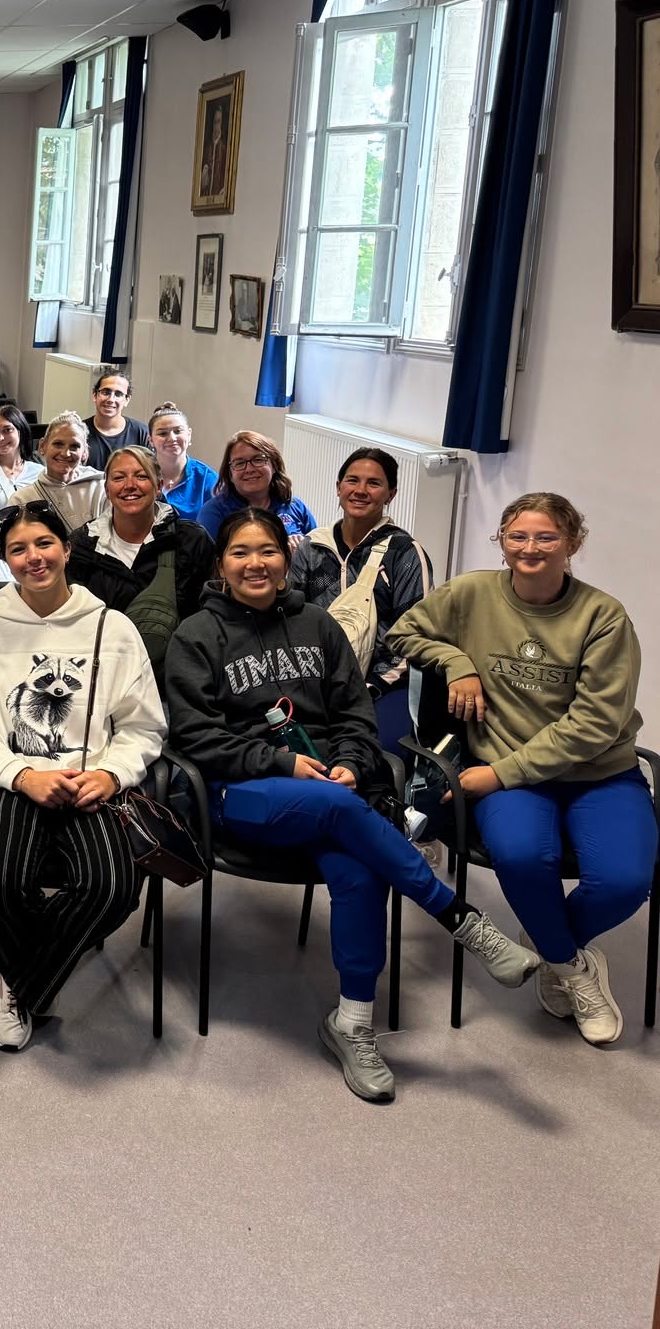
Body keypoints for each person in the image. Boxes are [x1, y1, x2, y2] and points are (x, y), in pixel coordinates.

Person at [166, 508, 541, 1100]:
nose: (255, 564)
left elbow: (355, 715)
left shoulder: (318, 625)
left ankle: (353, 1021)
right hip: (238, 795)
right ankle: (460, 919)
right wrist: (283, 764)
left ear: (286, 560)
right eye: (240, 552)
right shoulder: (196, 635)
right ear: (221, 564)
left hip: (330, 788)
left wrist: (351, 762)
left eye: (267, 551)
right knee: (343, 812)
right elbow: (195, 737)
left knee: (360, 866)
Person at [390, 492, 650, 1048]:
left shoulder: (603, 617)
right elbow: (403, 633)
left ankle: (555, 951)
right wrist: (456, 662)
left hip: (597, 773)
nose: (530, 548)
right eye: (518, 536)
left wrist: (500, 774)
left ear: (573, 543)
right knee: (524, 857)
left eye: (546, 537)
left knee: (626, 881)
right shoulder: (471, 593)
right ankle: (574, 968)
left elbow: (595, 725)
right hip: (510, 769)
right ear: (502, 542)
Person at [0, 500, 164, 1052]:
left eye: (44, 543)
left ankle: (14, 973)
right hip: (9, 780)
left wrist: (112, 773)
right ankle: (31, 973)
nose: (32, 557)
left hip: (90, 781)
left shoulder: (112, 628)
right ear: (6, 559)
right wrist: (20, 775)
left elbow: (142, 725)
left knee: (114, 889)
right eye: (18, 549)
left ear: (66, 549)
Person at [286, 447, 433, 750]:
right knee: (296, 745)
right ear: (338, 487)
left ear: (391, 494)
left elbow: (416, 636)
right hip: (315, 680)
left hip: (384, 683)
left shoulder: (404, 553)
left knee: (372, 749)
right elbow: (291, 619)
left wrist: (370, 687)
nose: (361, 490)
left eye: (374, 483)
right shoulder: (312, 548)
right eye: (352, 480)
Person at [66, 446, 214, 675]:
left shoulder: (190, 540)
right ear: (107, 489)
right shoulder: (82, 546)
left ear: (159, 486)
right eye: (119, 478)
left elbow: (209, 615)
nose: (130, 485)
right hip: (103, 677)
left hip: (177, 677)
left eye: (141, 476)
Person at [197, 429, 318, 544]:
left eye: (258, 460)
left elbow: (318, 552)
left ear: (274, 465)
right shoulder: (214, 513)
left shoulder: (294, 506)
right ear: (230, 474)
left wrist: (300, 548)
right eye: (239, 463)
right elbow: (208, 558)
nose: (249, 469)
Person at [22, 410, 107, 532]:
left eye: (74, 446)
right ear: (42, 446)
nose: (65, 453)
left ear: (84, 452)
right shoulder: (23, 499)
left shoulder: (102, 490)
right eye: (58, 444)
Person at [144, 402, 218, 522]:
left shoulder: (207, 479)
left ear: (189, 435)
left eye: (178, 431)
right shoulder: (139, 474)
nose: (172, 438)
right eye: (163, 433)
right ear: (151, 440)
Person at [84, 366, 151, 470]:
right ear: (94, 395)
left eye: (118, 394)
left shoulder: (142, 434)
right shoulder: (79, 432)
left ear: (127, 400)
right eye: (106, 392)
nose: (111, 399)